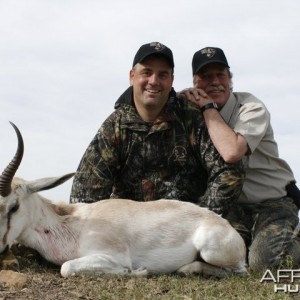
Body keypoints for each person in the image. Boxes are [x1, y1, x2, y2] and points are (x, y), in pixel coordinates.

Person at [70, 42, 244, 220]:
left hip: (191, 231)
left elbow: (229, 173)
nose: (154, 81)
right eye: (147, 72)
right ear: (132, 76)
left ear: (171, 80)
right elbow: (85, 199)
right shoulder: (114, 127)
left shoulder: (192, 117)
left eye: (162, 75)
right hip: (132, 233)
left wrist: (197, 220)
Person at [178, 46, 300, 271]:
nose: (214, 82)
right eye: (205, 77)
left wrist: (208, 107)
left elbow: (232, 152)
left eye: (220, 75)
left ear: (230, 79)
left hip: (272, 202)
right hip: (232, 207)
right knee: (211, 253)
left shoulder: (251, 108)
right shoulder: (189, 110)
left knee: (264, 264)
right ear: (195, 83)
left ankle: (292, 237)